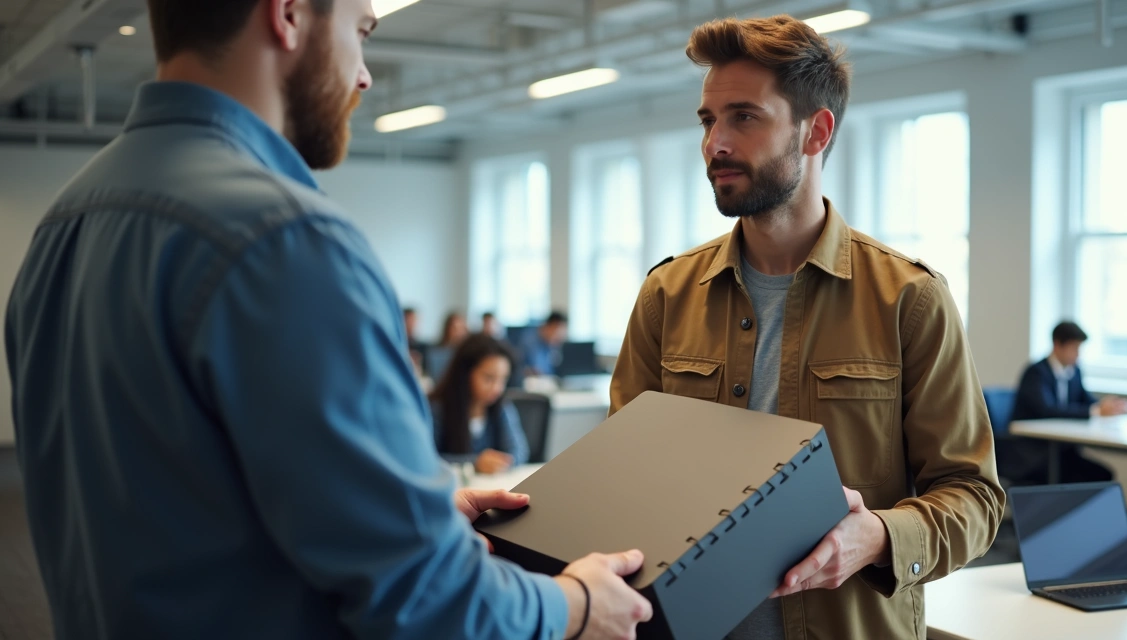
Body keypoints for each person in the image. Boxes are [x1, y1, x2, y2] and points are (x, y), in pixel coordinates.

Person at [3, 1, 651, 638]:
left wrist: (404, 513)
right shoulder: (287, 239)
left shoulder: (64, 224)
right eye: (360, 32)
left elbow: (168, 503)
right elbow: (429, 604)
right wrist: (575, 605)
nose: (365, 74)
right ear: (287, 16)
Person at [609, 15, 1003, 639]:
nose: (716, 143)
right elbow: (621, 476)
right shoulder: (667, 294)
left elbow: (975, 498)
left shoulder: (910, 299)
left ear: (816, 131)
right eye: (709, 120)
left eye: (745, 116)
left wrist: (876, 536)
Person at [1007, 321, 1127, 484]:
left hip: (1063, 452)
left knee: (1102, 475)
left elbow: (1085, 398)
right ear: (1058, 345)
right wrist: (1094, 411)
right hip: (1035, 454)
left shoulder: (1074, 371)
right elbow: (1047, 410)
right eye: (1074, 348)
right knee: (1077, 477)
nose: (1077, 354)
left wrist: (1105, 406)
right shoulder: (1036, 373)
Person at [431, 335, 529, 473]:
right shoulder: (437, 409)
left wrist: (503, 462)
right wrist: (474, 463)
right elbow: (427, 459)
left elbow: (519, 451)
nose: (497, 388)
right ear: (465, 373)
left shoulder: (501, 406)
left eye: (503, 379)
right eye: (489, 378)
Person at [521, 311, 569, 376]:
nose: (559, 339)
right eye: (558, 334)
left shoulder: (549, 344)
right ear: (550, 327)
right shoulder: (530, 341)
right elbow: (538, 370)